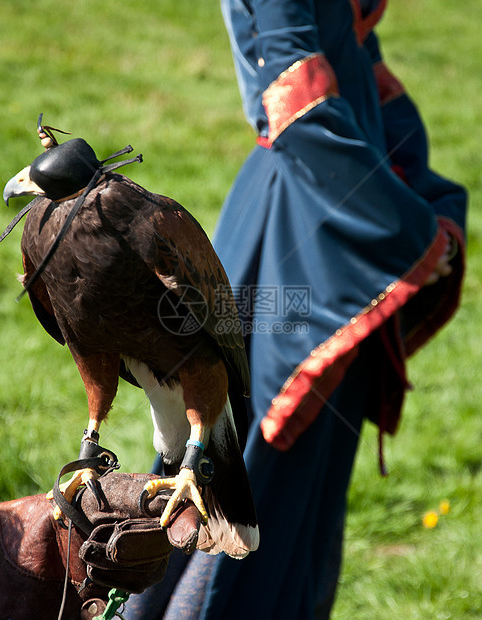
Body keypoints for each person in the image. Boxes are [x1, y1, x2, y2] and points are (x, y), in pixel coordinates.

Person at [127, 0, 466, 617]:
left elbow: (364, 71)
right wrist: (409, 232)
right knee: (241, 480)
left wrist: (426, 202)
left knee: (292, 507)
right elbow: (295, 98)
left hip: (347, 225)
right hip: (303, 227)